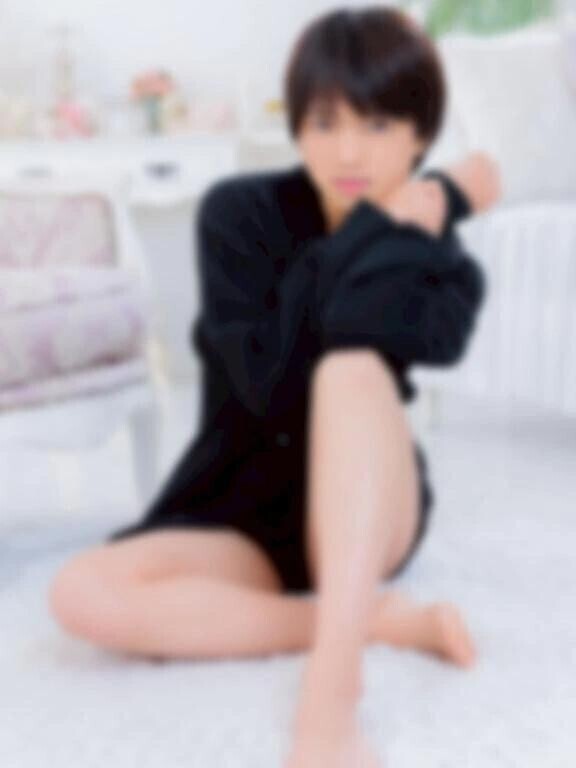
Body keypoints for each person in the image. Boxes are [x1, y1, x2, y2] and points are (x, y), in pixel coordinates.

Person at [48, 7, 500, 766]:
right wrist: (384, 220)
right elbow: (265, 381)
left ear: (421, 137)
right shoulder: (239, 214)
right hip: (242, 506)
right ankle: (371, 621)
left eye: (378, 124)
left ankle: (331, 694)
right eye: (324, 123)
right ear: (296, 128)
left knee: (350, 367)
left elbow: (355, 325)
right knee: (81, 593)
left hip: (366, 507)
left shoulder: (444, 267)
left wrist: (398, 229)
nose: (347, 151)